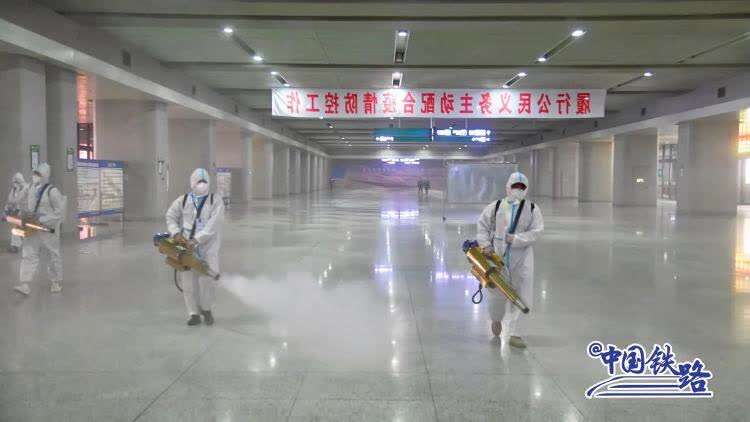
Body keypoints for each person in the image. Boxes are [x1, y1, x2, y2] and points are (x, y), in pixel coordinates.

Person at [476, 172, 543, 348]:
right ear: (508, 187)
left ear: (526, 189)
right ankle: (496, 318)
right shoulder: (496, 207)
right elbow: (482, 226)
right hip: (497, 256)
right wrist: (485, 246)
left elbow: (537, 231)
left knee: (523, 294)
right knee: (497, 292)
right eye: (515, 186)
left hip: (523, 256)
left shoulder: (532, 209)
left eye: (522, 187)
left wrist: (517, 239)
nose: (518, 190)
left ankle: (515, 332)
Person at [166, 168, 224, 326]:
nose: (202, 184)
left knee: (209, 278)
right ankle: (193, 313)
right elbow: (170, 216)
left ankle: (207, 309)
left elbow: (214, 224)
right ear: (192, 183)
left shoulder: (215, 200)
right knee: (188, 281)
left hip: (208, 246)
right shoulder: (183, 200)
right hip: (186, 245)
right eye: (199, 182)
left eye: (205, 182)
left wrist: (197, 239)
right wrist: (175, 233)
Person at [15, 163, 66, 295]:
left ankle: (56, 282)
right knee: (28, 254)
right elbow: (17, 201)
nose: (35, 176)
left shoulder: (52, 191)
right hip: (32, 227)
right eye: (35, 173)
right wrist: (22, 188)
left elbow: (59, 213)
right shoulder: (30, 188)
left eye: (38, 174)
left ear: (45, 176)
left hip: (48, 229)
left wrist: (43, 219)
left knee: (52, 254)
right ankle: (25, 283)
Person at [4, 172, 29, 253]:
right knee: (16, 227)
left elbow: (18, 200)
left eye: (16, 181)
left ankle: (17, 245)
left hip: (26, 211)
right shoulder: (15, 189)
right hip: (18, 211)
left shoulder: (27, 188)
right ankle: (15, 246)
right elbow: (10, 200)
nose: (14, 183)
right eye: (14, 182)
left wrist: (13, 202)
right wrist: (7, 207)